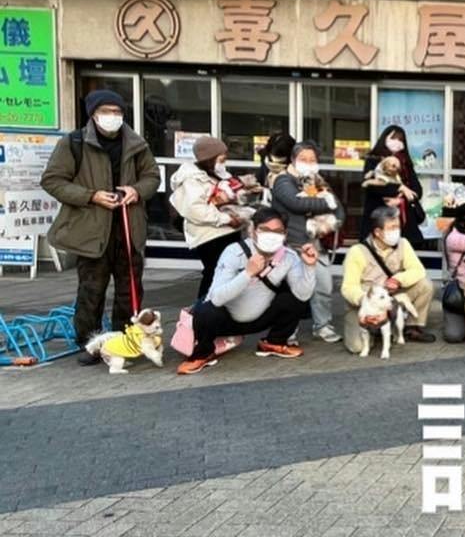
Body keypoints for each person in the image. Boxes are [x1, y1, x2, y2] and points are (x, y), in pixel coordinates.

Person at [42, 90, 160, 364]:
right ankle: (90, 344)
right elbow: (52, 180)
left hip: (129, 228)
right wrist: (91, 196)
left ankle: (126, 340)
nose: (112, 116)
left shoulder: (137, 143)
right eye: (106, 111)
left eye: (117, 112)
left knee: (129, 290)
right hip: (92, 231)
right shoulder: (74, 143)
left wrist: (136, 191)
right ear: (93, 114)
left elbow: (152, 177)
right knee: (91, 290)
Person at [175, 210, 317, 374]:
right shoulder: (234, 252)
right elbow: (216, 298)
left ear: (285, 234)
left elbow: (302, 296)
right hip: (226, 320)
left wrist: (309, 267)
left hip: (260, 318)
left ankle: (274, 341)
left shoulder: (289, 257)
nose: (271, 235)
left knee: (292, 299)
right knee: (206, 309)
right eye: (265, 230)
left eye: (277, 231)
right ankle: (203, 353)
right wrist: (247, 274)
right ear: (253, 231)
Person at [168, 135, 256, 307]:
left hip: (226, 231)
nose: (225, 161)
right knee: (214, 273)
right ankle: (202, 309)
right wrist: (226, 219)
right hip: (209, 235)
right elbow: (195, 210)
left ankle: (216, 308)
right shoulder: (192, 179)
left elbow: (227, 195)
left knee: (226, 272)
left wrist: (241, 194)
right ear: (209, 158)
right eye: (221, 158)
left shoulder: (217, 173)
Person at [339, 203, 437, 352]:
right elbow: (348, 287)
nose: (396, 231)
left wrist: (399, 279)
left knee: (425, 285)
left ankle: (411, 327)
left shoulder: (403, 244)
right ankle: (376, 330)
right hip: (365, 303)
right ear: (378, 232)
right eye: (392, 228)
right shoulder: (357, 252)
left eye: (398, 227)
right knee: (358, 347)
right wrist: (366, 302)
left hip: (391, 297)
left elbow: (418, 270)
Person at [360, 126, 427, 249]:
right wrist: (400, 188)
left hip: (404, 222)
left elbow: (417, 190)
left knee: (404, 254)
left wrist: (401, 199)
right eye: (393, 138)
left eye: (400, 140)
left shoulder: (405, 162)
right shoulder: (373, 159)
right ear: (385, 138)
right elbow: (372, 186)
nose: (397, 142)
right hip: (379, 218)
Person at [268, 139, 341, 249]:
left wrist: (327, 227)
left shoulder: (318, 180)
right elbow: (298, 204)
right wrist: (327, 202)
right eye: (303, 159)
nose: (308, 163)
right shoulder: (283, 180)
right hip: (292, 245)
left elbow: (339, 210)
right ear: (293, 160)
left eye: (312, 160)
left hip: (316, 244)